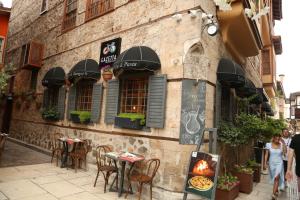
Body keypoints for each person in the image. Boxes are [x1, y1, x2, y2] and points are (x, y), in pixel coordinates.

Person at [264, 134, 287, 199]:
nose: (277, 140)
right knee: (274, 178)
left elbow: (284, 153)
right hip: (271, 163)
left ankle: (273, 194)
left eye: (278, 139)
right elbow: (266, 155)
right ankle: (276, 189)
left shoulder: (281, 145)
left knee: (277, 177)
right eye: (276, 139)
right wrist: (265, 163)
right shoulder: (268, 144)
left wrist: (284, 144)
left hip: (279, 163)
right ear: (273, 138)